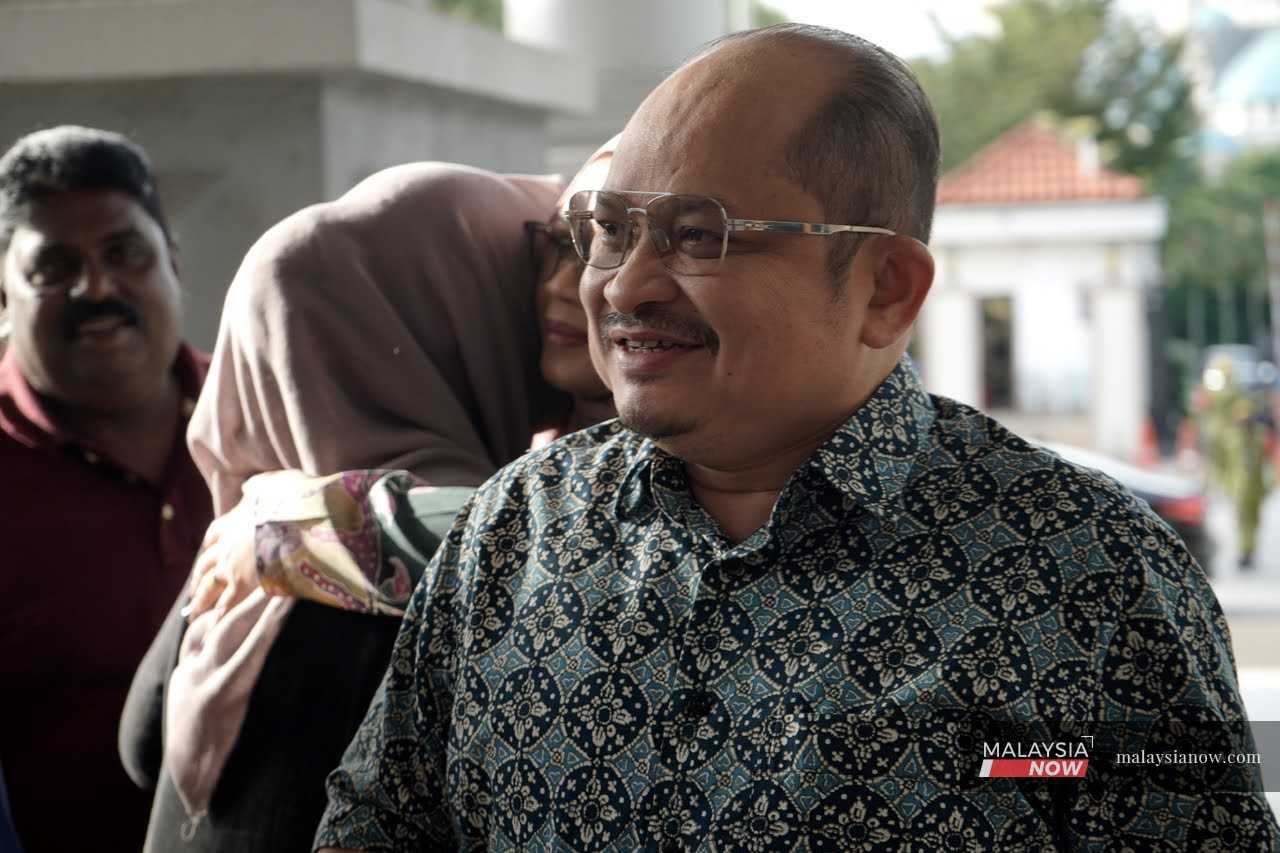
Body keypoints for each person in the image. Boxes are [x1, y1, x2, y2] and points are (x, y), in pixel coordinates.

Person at [312, 23, 1276, 851]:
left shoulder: (1088, 576)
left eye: (698, 235)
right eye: (609, 229)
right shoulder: (515, 529)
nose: (622, 285)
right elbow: (376, 822)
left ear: (886, 286)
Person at [120, 153, 615, 852]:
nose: (567, 288)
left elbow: (140, 741)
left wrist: (296, 532)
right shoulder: (302, 548)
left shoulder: (270, 533)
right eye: (559, 245)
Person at [0, 125, 213, 853]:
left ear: (174, 262)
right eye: (55, 267)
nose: (96, 288)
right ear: (3, 298)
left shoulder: (277, 419)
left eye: (124, 254)